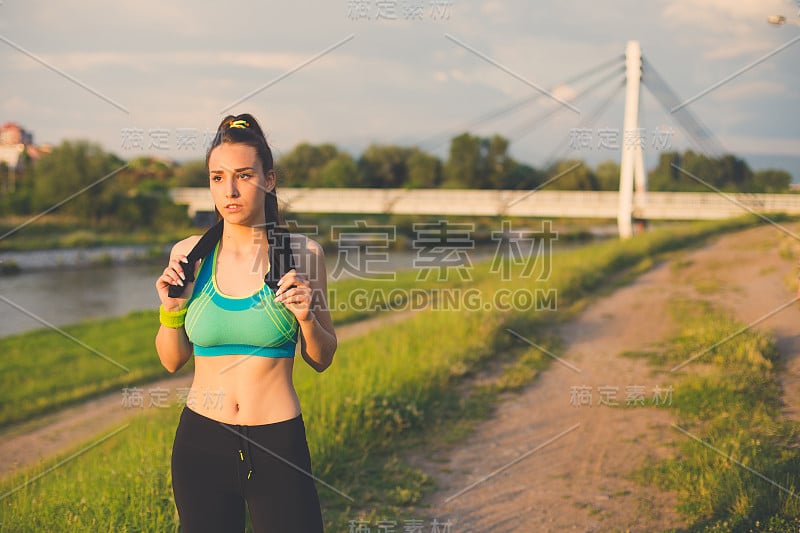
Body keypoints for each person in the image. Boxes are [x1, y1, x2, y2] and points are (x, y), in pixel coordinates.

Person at [155, 113, 337, 532]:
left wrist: (307, 317)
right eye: (217, 178)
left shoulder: (303, 254)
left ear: (268, 180)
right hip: (200, 440)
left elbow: (323, 357)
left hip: (276, 440)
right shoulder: (190, 254)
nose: (230, 190)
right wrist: (170, 311)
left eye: (243, 175)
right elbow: (171, 360)